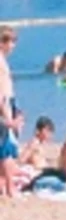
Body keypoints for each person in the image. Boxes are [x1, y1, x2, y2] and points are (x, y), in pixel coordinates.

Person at [0, 25, 22, 197]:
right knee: (7, 150)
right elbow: (2, 93)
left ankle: (5, 186)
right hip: (5, 104)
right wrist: (9, 118)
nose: (13, 46)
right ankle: (10, 188)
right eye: (11, 42)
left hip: (7, 103)